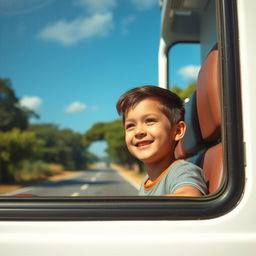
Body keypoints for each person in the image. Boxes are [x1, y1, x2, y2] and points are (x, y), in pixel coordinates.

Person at [116, 85, 208, 196]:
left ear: (178, 131)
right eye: (130, 125)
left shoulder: (181, 171)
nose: (138, 131)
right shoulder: (146, 180)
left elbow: (188, 197)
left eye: (150, 120)